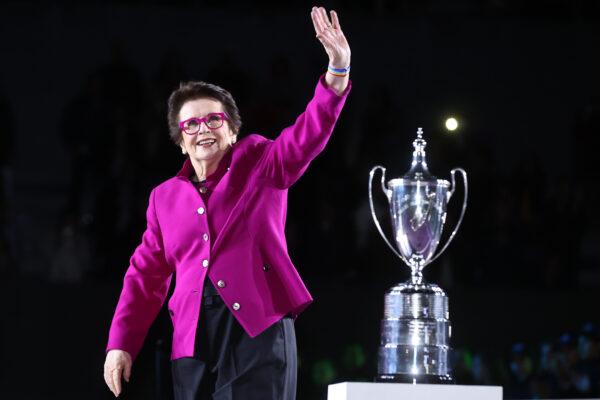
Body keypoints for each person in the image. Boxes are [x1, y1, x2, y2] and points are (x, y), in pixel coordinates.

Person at [103, 6, 351, 399]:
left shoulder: (261, 161)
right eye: (191, 125)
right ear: (180, 141)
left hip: (256, 329)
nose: (203, 129)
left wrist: (336, 73)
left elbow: (306, 136)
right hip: (191, 341)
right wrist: (121, 343)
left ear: (233, 130)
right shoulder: (164, 198)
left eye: (214, 120)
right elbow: (145, 275)